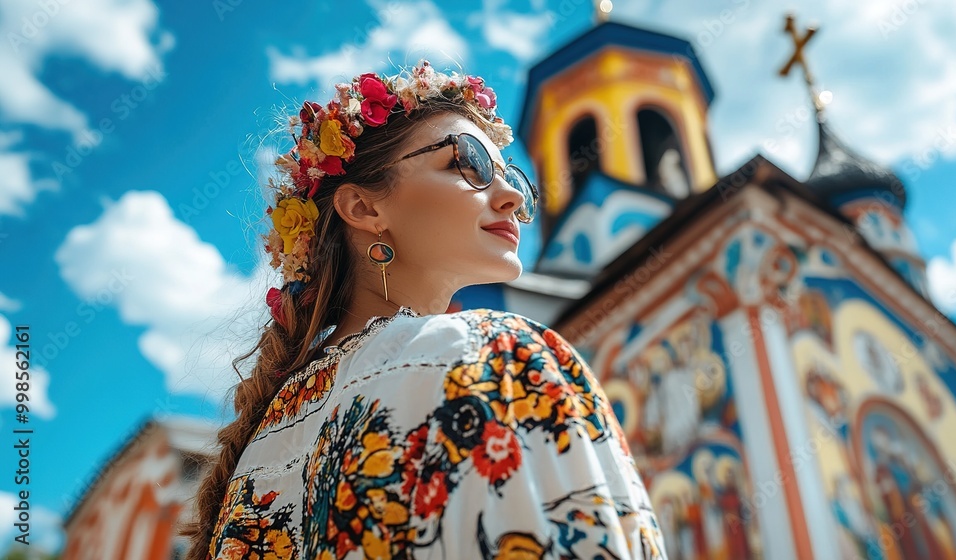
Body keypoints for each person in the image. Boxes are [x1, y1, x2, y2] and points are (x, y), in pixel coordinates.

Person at [181, 60, 667, 559]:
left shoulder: (257, 453)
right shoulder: (492, 357)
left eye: (513, 176)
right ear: (365, 209)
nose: (512, 197)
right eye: (469, 162)